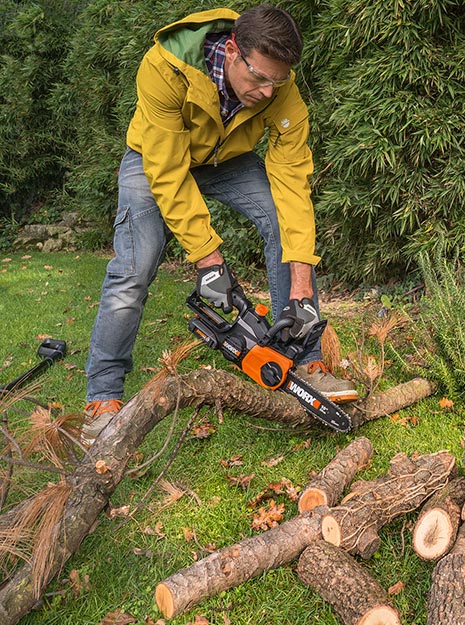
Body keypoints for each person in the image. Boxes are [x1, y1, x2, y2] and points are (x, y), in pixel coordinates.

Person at [83, 5, 356, 446]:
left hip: (225, 160)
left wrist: (302, 287)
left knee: (277, 217)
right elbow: (169, 173)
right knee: (134, 267)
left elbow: (293, 184)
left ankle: (307, 360)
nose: (268, 92)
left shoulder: (279, 85)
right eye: (259, 79)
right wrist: (210, 263)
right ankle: (103, 398)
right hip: (154, 160)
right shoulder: (164, 69)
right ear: (232, 51)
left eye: (278, 81)